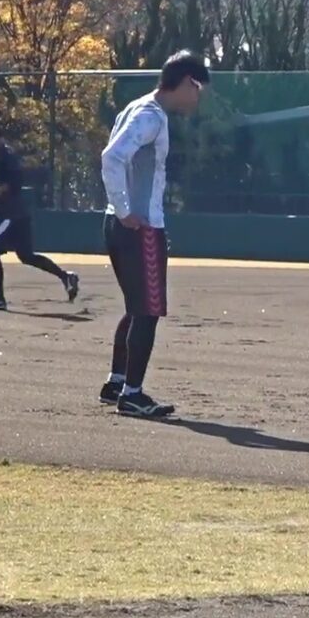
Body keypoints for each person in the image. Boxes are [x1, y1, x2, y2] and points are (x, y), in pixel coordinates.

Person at [97, 50, 209, 418]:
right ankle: (132, 394)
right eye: (199, 89)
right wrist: (126, 210)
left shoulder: (137, 107)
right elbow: (112, 157)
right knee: (148, 310)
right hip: (138, 227)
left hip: (122, 224)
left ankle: (117, 382)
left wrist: (121, 211)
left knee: (136, 307)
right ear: (188, 82)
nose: (198, 98)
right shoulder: (150, 115)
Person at [0, 118, 79, 310]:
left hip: (11, 215)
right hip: (18, 214)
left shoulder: (5, 153)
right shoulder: (3, 152)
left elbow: (16, 180)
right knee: (26, 256)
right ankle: (66, 277)